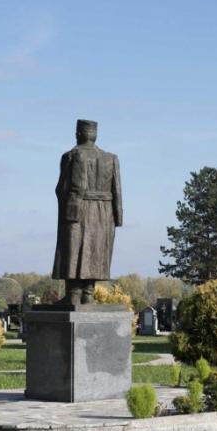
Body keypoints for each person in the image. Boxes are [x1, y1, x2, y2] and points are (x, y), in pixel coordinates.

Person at [52, 119, 123, 305]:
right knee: (96, 250)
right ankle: (88, 294)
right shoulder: (111, 158)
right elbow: (118, 191)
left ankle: (75, 293)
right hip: (104, 213)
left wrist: (68, 207)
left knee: (74, 249)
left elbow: (64, 187)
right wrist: (117, 216)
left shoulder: (72, 155)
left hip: (78, 210)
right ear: (95, 135)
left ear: (78, 134)